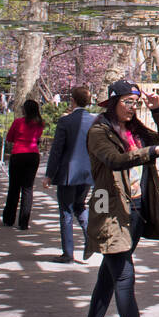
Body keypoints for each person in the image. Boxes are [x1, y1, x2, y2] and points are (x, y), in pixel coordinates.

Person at [76, 80, 159, 317]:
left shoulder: (133, 128)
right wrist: (152, 152)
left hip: (133, 208)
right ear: (112, 102)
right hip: (107, 207)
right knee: (123, 277)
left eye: (136, 102)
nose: (132, 107)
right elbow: (115, 160)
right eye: (127, 101)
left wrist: (157, 110)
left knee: (109, 278)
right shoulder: (98, 131)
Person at [44, 86, 97, 263]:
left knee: (66, 211)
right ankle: (91, 239)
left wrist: (49, 174)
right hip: (87, 172)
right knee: (80, 206)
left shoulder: (65, 122)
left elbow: (57, 151)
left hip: (68, 173)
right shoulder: (96, 121)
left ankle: (68, 252)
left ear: (72, 101)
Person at [2, 98, 46, 230]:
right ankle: (24, 221)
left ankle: (9, 218)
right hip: (33, 154)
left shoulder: (18, 122)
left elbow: (10, 138)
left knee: (14, 187)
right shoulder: (40, 124)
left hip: (18, 153)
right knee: (27, 188)